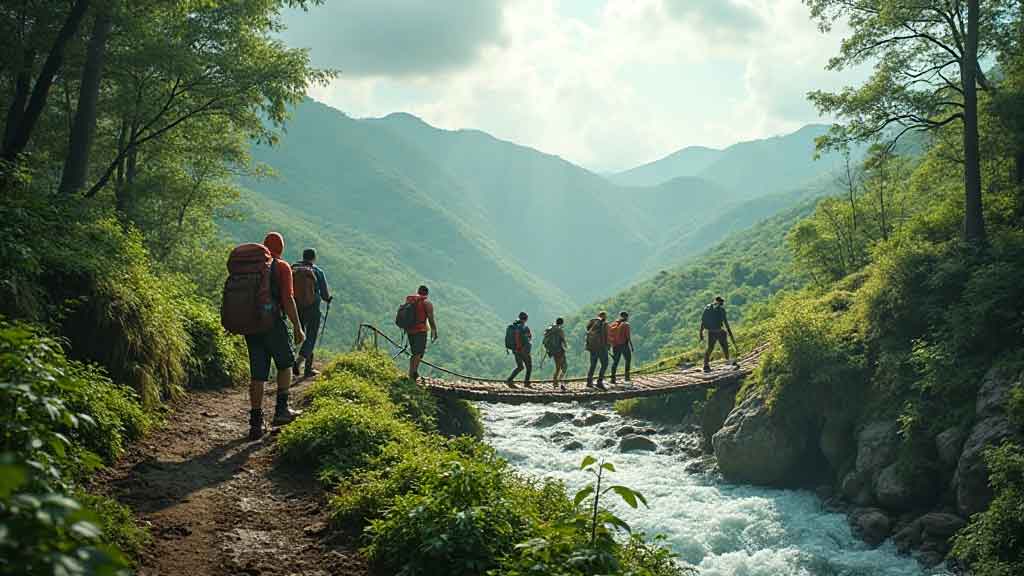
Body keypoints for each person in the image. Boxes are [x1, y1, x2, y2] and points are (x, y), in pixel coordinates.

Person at [246, 232, 305, 441]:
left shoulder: (250, 267)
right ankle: (281, 410)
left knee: (258, 374)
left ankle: (255, 422)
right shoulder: (281, 266)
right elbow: (288, 299)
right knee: (285, 364)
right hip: (273, 324)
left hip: (251, 326)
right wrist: (298, 327)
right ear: (281, 247)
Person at [292, 248, 332, 379]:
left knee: (300, 336)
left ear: (303, 257)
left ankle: (298, 366)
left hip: (296, 308)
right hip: (313, 309)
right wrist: (328, 299)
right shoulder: (317, 271)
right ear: (314, 258)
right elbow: (325, 295)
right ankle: (300, 363)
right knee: (311, 337)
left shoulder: (293, 268)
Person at [404, 285, 437, 381]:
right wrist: (434, 331)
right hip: (420, 330)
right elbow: (430, 319)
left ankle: (412, 372)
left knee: (415, 352)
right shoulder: (427, 303)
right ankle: (412, 374)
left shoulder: (410, 301)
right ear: (427, 294)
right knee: (419, 353)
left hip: (410, 330)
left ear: (418, 291)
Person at [700, 296, 734, 372]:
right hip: (719, 331)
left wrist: (701, 333)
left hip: (711, 331)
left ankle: (705, 364)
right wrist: (729, 332)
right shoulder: (721, 310)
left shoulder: (708, 308)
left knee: (710, 348)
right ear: (720, 302)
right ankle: (728, 360)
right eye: (722, 302)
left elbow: (703, 322)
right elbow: (725, 322)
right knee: (725, 346)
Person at [505, 312, 533, 387]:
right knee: (529, 366)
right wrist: (519, 346)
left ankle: (509, 379)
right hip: (522, 350)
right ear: (526, 319)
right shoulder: (523, 326)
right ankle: (526, 382)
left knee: (520, 367)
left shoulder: (514, 325)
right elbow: (528, 336)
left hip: (515, 350)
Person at [585, 311, 610, 389]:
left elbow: (587, 330)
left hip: (592, 347)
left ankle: (589, 382)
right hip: (601, 347)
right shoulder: (604, 324)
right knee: (605, 364)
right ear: (604, 316)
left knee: (593, 365)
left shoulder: (592, 322)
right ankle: (599, 382)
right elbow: (606, 337)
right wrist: (607, 346)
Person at [543, 317, 568, 389]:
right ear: (562, 323)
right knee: (564, 366)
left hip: (552, 351)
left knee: (558, 367)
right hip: (559, 350)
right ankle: (559, 382)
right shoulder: (559, 330)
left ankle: (556, 382)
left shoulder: (550, 328)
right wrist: (566, 347)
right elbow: (563, 340)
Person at [609, 311, 633, 384]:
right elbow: (628, 336)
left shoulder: (614, 324)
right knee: (628, 359)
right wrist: (631, 346)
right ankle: (627, 377)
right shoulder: (626, 324)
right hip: (624, 345)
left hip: (615, 345)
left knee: (615, 362)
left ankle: (613, 378)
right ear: (626, 317)